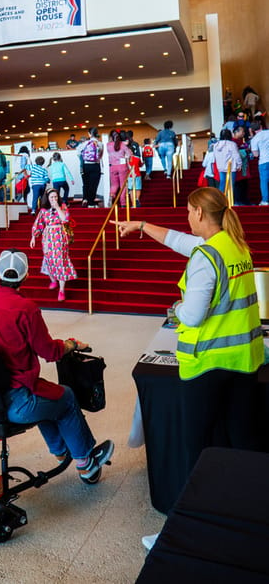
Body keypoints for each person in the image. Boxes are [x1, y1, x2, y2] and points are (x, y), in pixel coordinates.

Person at [114, 187, 263, 481]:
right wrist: (141, 226)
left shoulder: (206, 257)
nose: (187, 217)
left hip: (209, 363)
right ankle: (246, 500)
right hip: (244, 358)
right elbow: (180, 241)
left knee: (198, 443)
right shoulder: (235, 244)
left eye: (187, 211)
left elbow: (193, 315)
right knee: (241, 437)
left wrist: (177, 307)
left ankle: (199, 506)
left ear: (198, 212)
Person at [0, 250, 114, 482]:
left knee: (49, 394)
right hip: (16, 401)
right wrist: (70, 344)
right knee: (66, 397)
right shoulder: (26, 308)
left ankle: (61, 451)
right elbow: (49, 351)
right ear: (27, 275)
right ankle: (85, 462)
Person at [30, 186, 76, 302]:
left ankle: (61, 290)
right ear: (48, 198)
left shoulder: (63, 207)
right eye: (51, 197)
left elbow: (65, 220)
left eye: (55, 197)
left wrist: (58, 208)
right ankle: (53, 280)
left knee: (60, 260)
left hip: (60, 236)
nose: (54, 199)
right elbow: (38, 224)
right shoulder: (43, 211)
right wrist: (33, 237)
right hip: (48, 237)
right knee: (48, 259)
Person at [107, 130, 133, 208]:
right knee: (123, 185)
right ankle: (123, 203)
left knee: (114, 185)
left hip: (112, 167)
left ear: (111, 137)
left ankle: (111, 196)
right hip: (122, 166)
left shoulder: (108, 145)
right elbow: (129, 155)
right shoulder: (123, 145)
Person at [79, 127, 103, 207]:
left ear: (89, 134)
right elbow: (100, 155)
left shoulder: (84, 143)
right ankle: (91, 202)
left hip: (86, 165)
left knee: (86, 184)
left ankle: (85, 199)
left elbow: (79, 153)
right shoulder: (100, 144)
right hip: (96, 165)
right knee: (94, 184)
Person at [212, 128, 241, 195]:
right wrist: (239, 164)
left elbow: (215, 157)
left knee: (222, 184)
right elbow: (236, 155)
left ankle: (221, 201)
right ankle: (229, 202)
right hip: (231, 167)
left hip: (221, 167)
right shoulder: (232, 144)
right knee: (231, 185)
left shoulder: (216, 145)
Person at [250, 120, 269, 206]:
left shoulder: (254, 139)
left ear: (253, 130)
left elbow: (256, 154)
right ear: (261, 126)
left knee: (264, 181)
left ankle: (265, 200)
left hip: (263, 161)